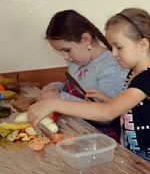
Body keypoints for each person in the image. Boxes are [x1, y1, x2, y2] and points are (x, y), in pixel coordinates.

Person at [28, 8, 150, 171]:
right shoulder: (134, 72)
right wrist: (109, 100)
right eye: (112, 47)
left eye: (119, 47)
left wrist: (54, 103)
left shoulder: (149, 77)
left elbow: (108, 113)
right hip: (136, 157)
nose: (113, 53)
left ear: (143, 45)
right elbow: (135, 108)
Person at [42, 10, 128, 139]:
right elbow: (72, 88)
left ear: (86, 39)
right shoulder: (76, 62)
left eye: (67, 50)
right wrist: (54, 87)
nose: (65, 57)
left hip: (102, 138)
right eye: (61, 52)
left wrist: (58, 99)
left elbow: (107, 116)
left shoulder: (111, 66)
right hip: (76, 129)